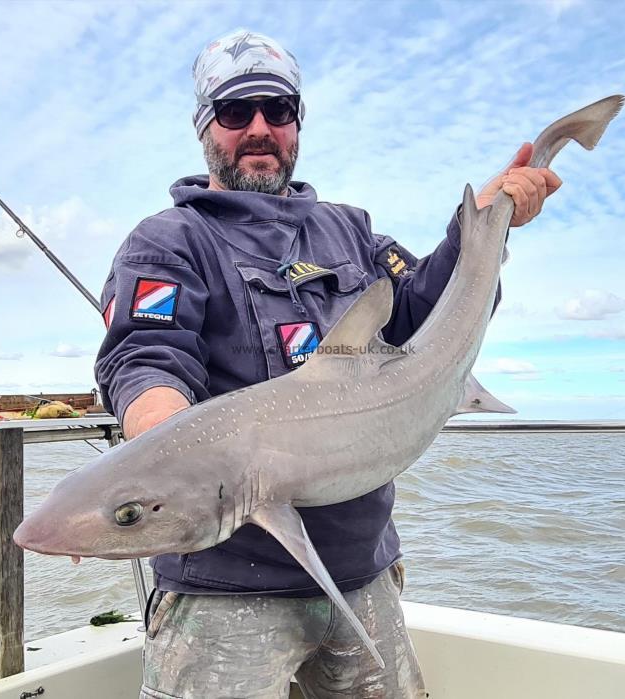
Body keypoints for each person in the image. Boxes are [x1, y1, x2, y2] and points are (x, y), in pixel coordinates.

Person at [95, 29, 561, 699]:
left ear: (297, 124)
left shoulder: (351, 231)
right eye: (235, 112)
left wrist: (484, 222)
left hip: (361, 573)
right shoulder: (169, 242)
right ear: (205, 127)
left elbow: (422, 312)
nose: (259, 129)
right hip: (225, 593)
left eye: (277, 111)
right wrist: (175, 458)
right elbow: (146, 357)